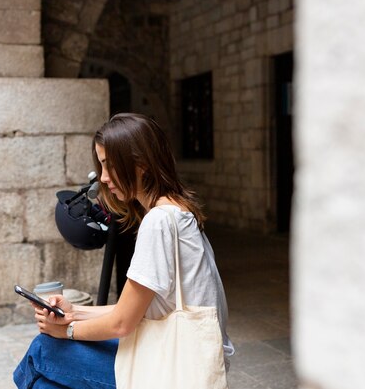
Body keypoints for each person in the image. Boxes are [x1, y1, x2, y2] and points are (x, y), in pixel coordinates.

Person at [14, 113, 234, 389]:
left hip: (172, 368)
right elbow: (130, 309)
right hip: (182, 354)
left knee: (44, 351)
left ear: (140, 163)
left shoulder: (158, 222)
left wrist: (66, 330)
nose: (104, 178)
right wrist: (74, 311)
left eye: (110, 165)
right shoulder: (178, 212)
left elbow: (122, 323)